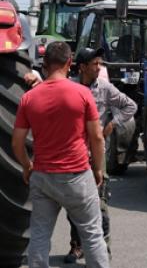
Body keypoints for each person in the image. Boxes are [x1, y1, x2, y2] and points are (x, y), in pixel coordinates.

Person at [24, 47, 137, 264]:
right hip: (73, 157)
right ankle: (78, 247)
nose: (99, 67)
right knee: (75, 210)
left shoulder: (104, 88)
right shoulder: (71, 86)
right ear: (81, 67)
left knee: (99, 209)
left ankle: (103, 251)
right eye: (95, 64)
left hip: (95, 156)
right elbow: (47, 95)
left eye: (100, 63)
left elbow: (129, 106)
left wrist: (113, 123)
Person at [12, 41, 110, 268]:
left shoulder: (30, 98)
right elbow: (96, 137)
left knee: (39, 235)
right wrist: (97, 169)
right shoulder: (83, 94)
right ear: (69, 63)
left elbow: (17, 142)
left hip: (43, 176)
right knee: (92, 236)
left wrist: (28, 166)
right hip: (77, 176)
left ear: (45, 64)